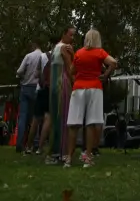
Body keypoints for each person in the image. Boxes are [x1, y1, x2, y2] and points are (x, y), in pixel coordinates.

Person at [64, 29, 117, 168]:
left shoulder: (79, 53)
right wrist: (105, 75)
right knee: (91, 123)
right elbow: (113, 62)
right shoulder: (100, 52)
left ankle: (69, 158)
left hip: (78, 88)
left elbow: (71, 71)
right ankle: (87, 157)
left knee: (74, 124)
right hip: (95, 87)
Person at [43, 26, 75, 165]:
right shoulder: (65, 49)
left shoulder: (55, 48)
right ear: (64, 34)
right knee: (64, 118)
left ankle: (53, 152)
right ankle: (60, 152)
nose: (72, 38)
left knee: (55, 117)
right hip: (63, 84)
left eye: (74, 36)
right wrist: (73, 55)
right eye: (70, 35)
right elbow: (71, 69)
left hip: (54, 85)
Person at [15, 40, 43, 155]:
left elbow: (20, 71)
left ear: (33, 47)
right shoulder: (43, 56)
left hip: (26, 87)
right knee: (36, 118)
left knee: (23, 116)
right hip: (37, 88)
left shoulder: (28, 56)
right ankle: (35, 143)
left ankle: (19, 143)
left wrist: (21, 76)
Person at [33, 34, 58, 157]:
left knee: (36, 118)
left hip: (41, 89)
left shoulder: (43, 56)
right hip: (53, 89)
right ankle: (42, 145)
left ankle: (29, 146)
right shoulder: (59, 56)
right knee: (49, 118)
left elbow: (36, 74)